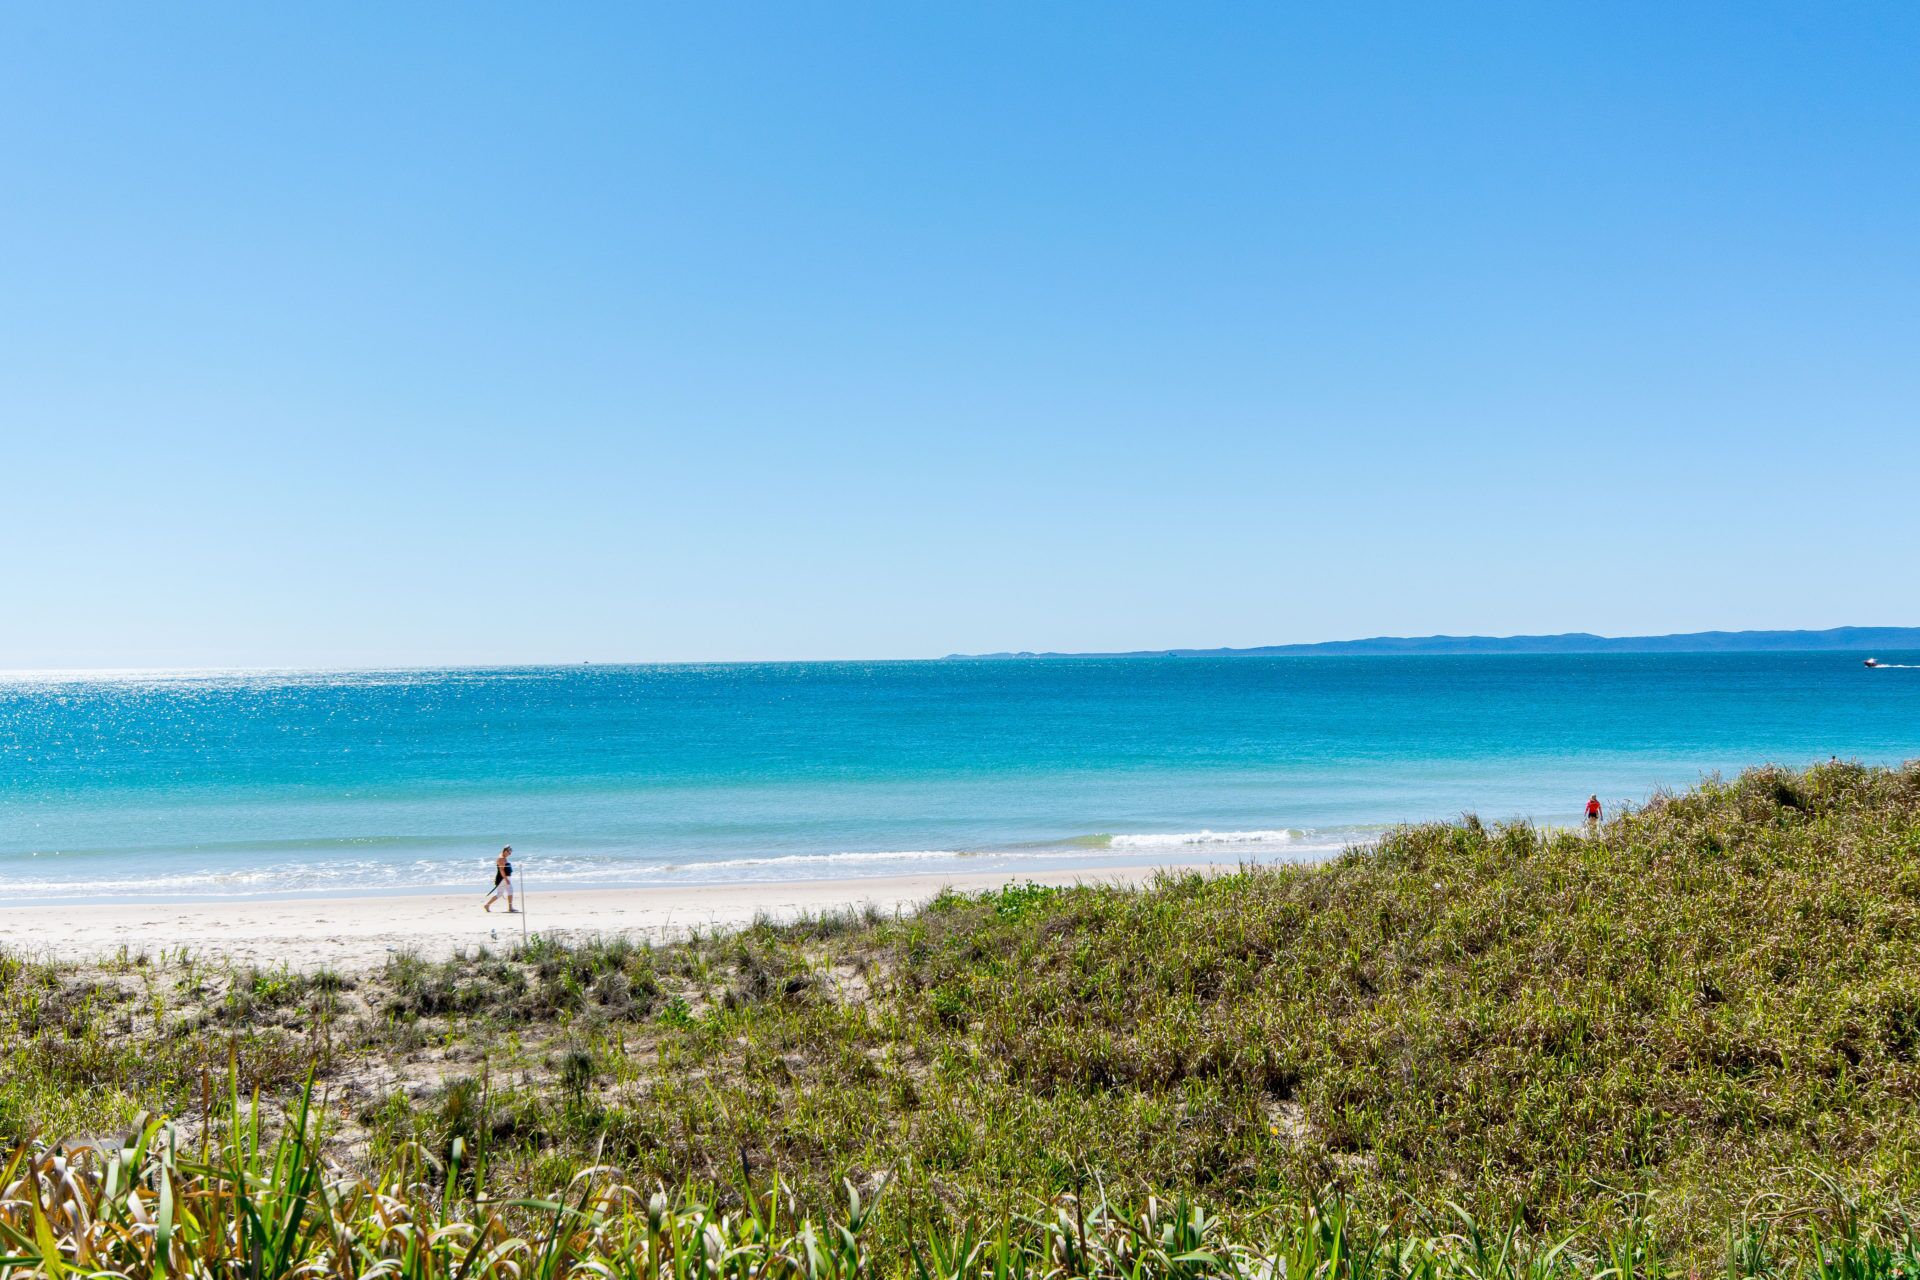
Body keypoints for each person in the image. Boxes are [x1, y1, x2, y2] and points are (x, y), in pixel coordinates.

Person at [483, 845, 516, 912]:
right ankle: (510, 908)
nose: (510, 854)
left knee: (500, 894)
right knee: (510, 891)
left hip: (504, 878)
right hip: (503, 878)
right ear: (505, 851)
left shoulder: (503, 857)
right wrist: (506, 879)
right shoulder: (501, 858)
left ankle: (487, 905)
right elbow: (501, 870)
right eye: (509, 852)